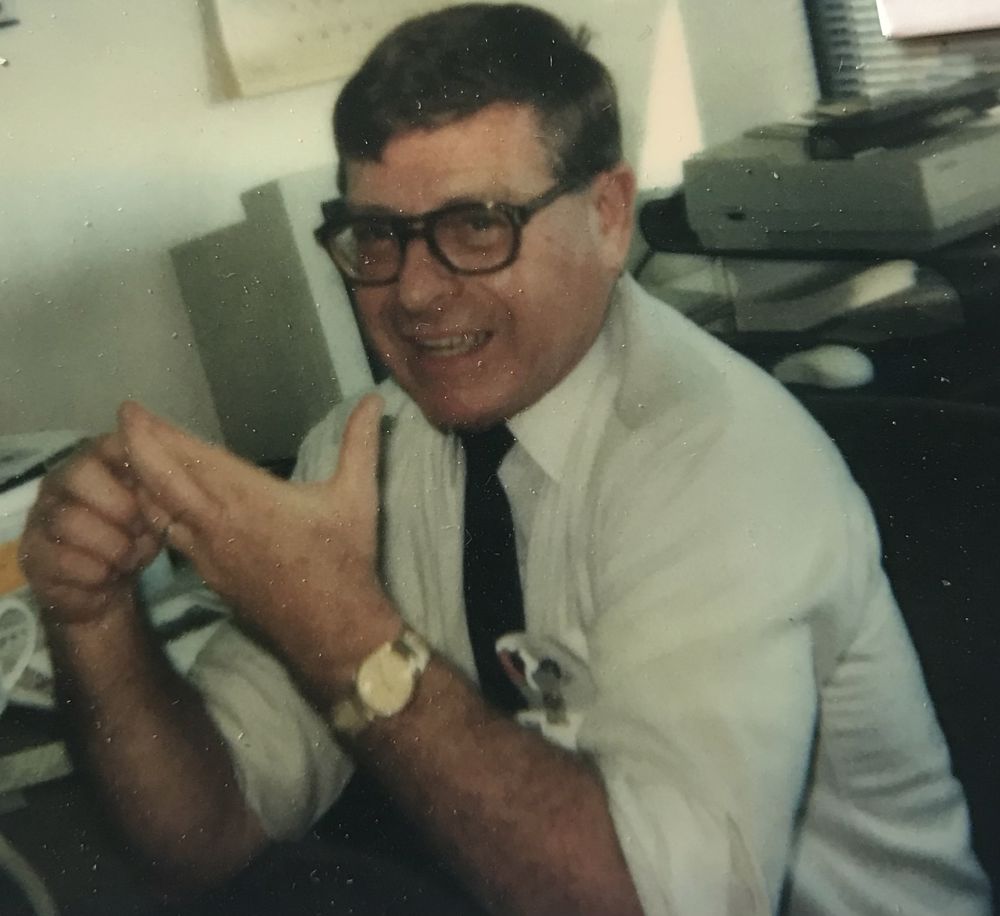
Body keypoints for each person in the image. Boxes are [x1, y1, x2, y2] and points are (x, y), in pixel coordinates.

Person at [19, 4, 991, 914]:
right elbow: (205, 832)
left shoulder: (722, 465)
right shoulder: (370, 450)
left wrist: (336, 626)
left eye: (477, 225)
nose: (414, 293)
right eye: (377, 237)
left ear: (608, 216)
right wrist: (95, 620)